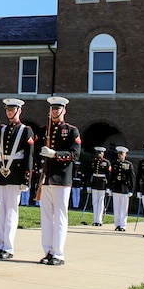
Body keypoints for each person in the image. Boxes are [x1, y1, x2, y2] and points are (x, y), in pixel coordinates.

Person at [37, 96, 82, 265]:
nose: (54, 111)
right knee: (47, 217)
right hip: (46, 178)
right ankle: (48, 250)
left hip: (62, 179)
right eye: (52, 109)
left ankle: (58, 253)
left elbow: (75, 154)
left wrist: (55, 154)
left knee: (60, 217)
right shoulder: (44, 130)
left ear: (64, 110)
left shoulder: (71, 131)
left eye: (58, 108)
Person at [0, 98, 35, 259]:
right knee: (1, 211)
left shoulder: (26, 130)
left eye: (12, 109)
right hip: (3, 173)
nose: (9, 112)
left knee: (11, 211)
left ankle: (8, 247)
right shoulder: (1, 129)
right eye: (8, 109)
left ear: (19, 111)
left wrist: (26, 178)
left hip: (16, 173)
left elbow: (29, 156)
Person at [108, 146, 136, 232]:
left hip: (125, 189)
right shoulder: (114, 163)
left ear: (125, 154)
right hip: (116, 188)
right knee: (116, 208)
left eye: (122, 154)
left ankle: (123, 225)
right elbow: (111, 176)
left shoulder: (128, 164)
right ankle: (117, 225)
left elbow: (132, 178)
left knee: (123, 208)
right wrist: (109, 187)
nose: (120, 155)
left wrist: (131, 190)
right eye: (119, 154)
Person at [87, 146, 112, 227]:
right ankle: (95, 220)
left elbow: (109, 176)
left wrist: (108, 187)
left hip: (102, 184)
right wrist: (88, 185)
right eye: (98, 153)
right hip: (94, 183)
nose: (99, 154)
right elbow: (89, 174)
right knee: (94, 202)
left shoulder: (106, 162)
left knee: (101, 203)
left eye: (100, 153)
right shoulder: (93, 162)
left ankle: (99, 220)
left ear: (103, 153)